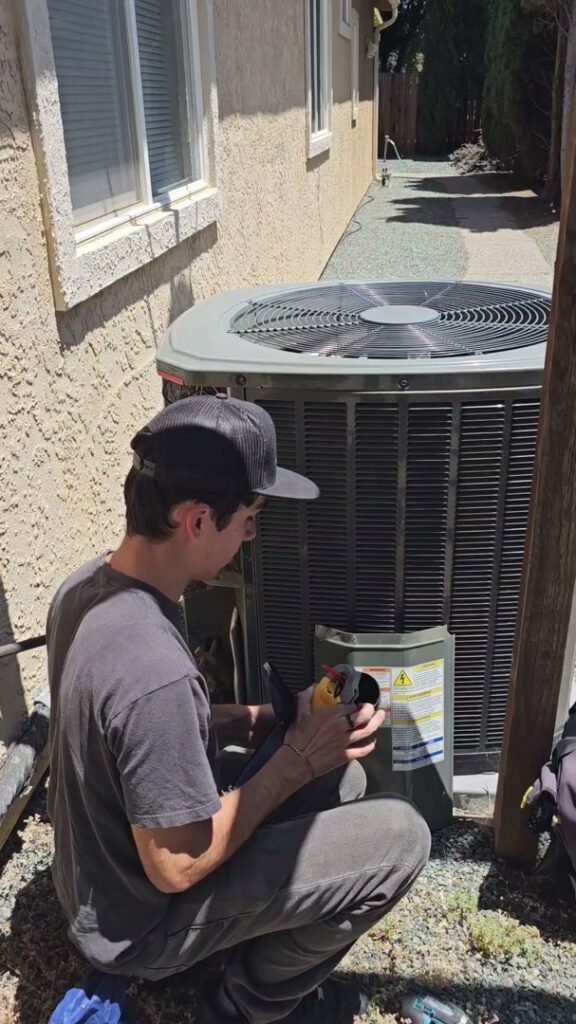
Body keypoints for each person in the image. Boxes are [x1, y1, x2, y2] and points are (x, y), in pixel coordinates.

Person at [46, 394, 430, 1024]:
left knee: (347, 777)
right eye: (249, 517)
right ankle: (244, 1006)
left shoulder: (86, 591)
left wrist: (256, 721)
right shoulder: (154, 670)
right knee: (401, 840)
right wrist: (295, 761)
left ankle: (245, 954)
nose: (252, 533)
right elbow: (176, 864)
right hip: (139, 927)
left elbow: (118, 731)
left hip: (95, 882)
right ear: (197, 521)